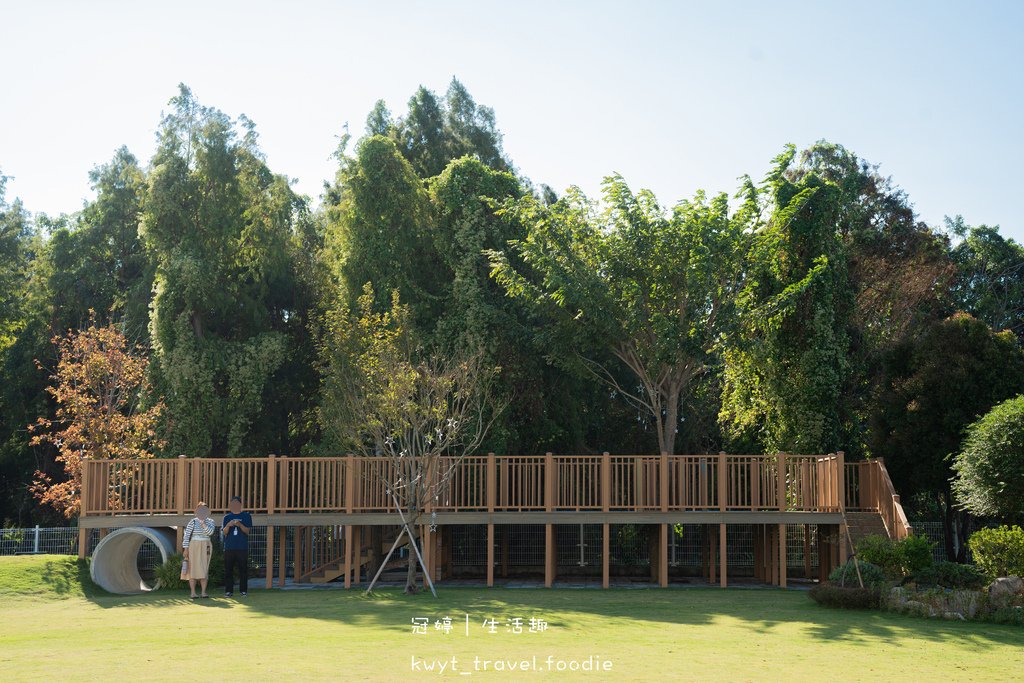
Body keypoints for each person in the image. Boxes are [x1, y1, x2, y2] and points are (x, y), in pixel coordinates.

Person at [182, 502, 215, 599]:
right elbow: (187, 536)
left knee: (204, 569)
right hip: (194, 545)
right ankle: (193, 593)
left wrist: (203, 524)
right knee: (192, 569)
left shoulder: (211, 521)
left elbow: (210, 532)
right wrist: (186, 549)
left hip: (206, 545)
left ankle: (203, 592)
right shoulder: (192, 521)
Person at [222, 495, 252, 597]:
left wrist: (240, 525)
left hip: (242, 547)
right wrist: (228, 525)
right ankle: (229, 591)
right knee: (228, 570)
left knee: (243, 570)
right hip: (229, 548)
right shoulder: (227, 517)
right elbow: (225, 533)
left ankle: (243, 591)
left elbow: (247, 531)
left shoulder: (246, 516)